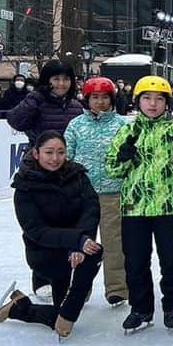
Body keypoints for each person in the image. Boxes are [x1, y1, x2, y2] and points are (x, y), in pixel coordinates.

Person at [105, 75, 173, 333]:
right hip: (135, 207)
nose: (153, 104)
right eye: (147, 98)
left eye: (159, 99)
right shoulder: (128, 131)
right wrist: (124, 157)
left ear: (167, 104)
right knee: (136, 261)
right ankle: (141, 308)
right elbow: (112, 168)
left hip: (170, 207)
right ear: (138, 102)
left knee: (172, 260)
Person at [0, 130, 103, 340]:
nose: (55, 159)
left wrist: (80, 243)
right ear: (36, 153)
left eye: (60, 152)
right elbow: (36, 231)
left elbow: (91, 209)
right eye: (49, 152)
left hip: (76, 248)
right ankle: (20, 309)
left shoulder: (77, 175)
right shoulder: (25, 187)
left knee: (95, 253)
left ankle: (62, 310)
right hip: (45, 253)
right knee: (62, 317)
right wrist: (75, 240)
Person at [64, 77, 131, 307]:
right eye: (95, 97)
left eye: (105, 97)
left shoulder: (123, 125)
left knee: (115, 243)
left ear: (112, 99)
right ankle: (80, 288)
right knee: (84, 244)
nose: (100, 102)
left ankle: (117, 288)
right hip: (84, 195)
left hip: (114, 193)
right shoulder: (76, 125)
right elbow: (67, 156)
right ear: (87, 99)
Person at [6, 59, 83, 144]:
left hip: (68, 156)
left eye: (66, 79)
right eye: (56, 79)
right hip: (39, 155)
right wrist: (35, 97)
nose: (61, 83)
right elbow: (16, 122)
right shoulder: (36, 101)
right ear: (47, 80)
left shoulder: (77, 107)